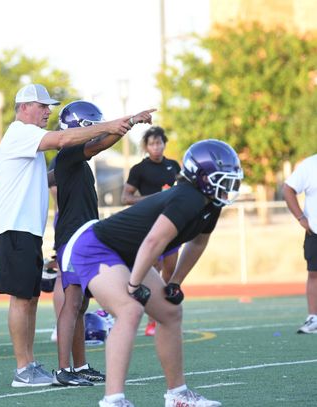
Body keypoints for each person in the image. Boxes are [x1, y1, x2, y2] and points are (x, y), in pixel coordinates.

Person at [62, 139, 243, 407]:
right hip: (97, 247)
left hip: (129, 252)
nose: (227, 186)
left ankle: (177, 395)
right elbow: (153, 242)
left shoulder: (210, 204)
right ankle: (113, 400)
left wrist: (176, 281)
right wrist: (134, 285)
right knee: (130, 309)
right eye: (221, 178)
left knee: (170, 312)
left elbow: (198, 242)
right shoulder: (188, 197)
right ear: (200, 175)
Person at [0, 83, 133, 387]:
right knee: (21, 299)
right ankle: (22, 368)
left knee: (29, 299)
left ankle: (29, 363)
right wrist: (110, 126)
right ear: (25, 106)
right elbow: (65, 138)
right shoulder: (21, 132)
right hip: (14, 227)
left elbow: (50, 174)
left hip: (25, 229)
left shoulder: (27, 140)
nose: (47, 112)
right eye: (43, 107)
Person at [52, 101, 155, 387]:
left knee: (81, 303)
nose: (97, 131)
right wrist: (129, 123)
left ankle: (80, 365)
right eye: (93, 126)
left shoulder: (73, 160)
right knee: (72, 302)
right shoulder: (70, 153)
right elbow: (99, 144)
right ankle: (63, 370)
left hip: (82, 233)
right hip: (73, 236)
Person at [121, 126, 181, 336]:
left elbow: (183, 190)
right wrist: (155, 198)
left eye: (159, 143)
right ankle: (151, 320)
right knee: (153, 270)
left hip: (173, 223)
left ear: (165, 143)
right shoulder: (139, 169)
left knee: (171, 270)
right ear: (146, 147)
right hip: (150, 225)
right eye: (152, 143)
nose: (156, 147)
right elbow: (126, 198)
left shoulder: (173, 166)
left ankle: (164, 315)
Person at [283, 155, 317, 334]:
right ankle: (314, 318)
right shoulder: (311, 164)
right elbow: (288, 188)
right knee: (314, 274)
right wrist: (301, 218)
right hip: (315, 231)